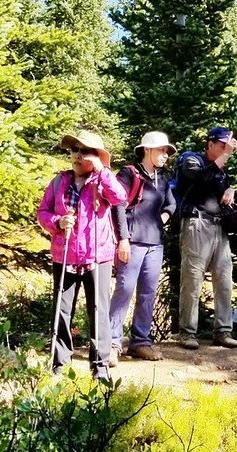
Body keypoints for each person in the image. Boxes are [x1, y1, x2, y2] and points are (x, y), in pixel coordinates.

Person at [37, 130, 127, 381]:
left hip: (97, 255)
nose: (77, 155)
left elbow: (120, 198)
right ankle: (60, 364)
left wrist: (103, 171)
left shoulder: (102, 181)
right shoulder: (59, 182)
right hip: (64, 253)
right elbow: (43, 212)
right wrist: (57, 222)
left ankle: (100, 366)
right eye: (74, 150)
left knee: (98, 309)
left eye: (84, 151)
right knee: (62, 310)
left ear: (96, 156)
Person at [108, 131, 177, 363]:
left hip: (155, 244)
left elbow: (171, 204)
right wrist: (123, 239)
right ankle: (112, 343)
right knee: (124, 290)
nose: (165, 155)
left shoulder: (162, 178)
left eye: (167, 151)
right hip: (132, 242)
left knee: (148, 292)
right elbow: (117, 205)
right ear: (147, 150)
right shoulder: (129, 173)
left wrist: (162, 219)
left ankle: (140, 342)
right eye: (161, 150)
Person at [176, 126, 237, 350]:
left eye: (229, 147)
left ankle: (223, 330)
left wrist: (231, 190)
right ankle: (187, 332)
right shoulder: (191, 159)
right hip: (196, 222)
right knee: (193, 278)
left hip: (219, 226)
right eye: (223, 146)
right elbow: (199, 178)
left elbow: (219, 188)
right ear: (210, 144)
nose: (227, 150)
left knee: (224, 278)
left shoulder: (222, 169)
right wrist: (225, 156)